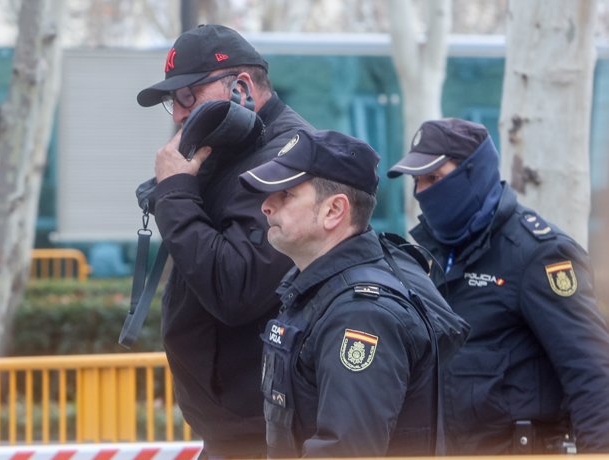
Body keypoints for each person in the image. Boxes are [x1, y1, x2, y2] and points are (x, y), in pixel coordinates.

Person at [133, 24, 314, 458]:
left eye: (188, 96)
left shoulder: (287, 159)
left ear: (242, 87)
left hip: (269, 430)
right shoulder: (232, 151)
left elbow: (234, 287)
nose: (179, 113)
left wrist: (175, 193)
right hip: (242, 424)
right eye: (173, 101)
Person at [238, 129, 468, 458]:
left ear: (334, 210)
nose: (266, 206)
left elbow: (345, 451)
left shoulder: (360, 314)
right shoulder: (318, 289)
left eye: (286, 194)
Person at [387, 117, 609, 454]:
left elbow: (592, 374)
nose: (422, 193)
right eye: (417, 182)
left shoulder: (539, 254)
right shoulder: (424, 254)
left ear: (474, 174)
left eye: (434, 178)